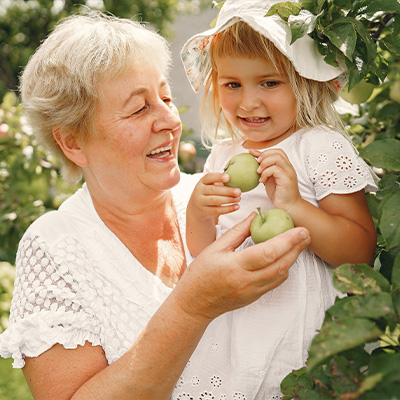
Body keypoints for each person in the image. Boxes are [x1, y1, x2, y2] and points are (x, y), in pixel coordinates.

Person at [0, 10, 312, 400]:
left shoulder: (223, 198)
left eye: (166, 98)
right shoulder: (54, 247)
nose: (170, 120)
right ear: (73, 142)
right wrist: (193, 307)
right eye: (139, 108)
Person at [180, 0, 378, 397]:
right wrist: (198, 213)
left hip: (299, 325)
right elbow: (204, 251)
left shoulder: (318, 147)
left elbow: (358, 252)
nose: (248, 102)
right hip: (233, 319)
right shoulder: (223, 155)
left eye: (269, 83)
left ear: (305, 80)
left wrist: (295, 207)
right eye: (232, 84)